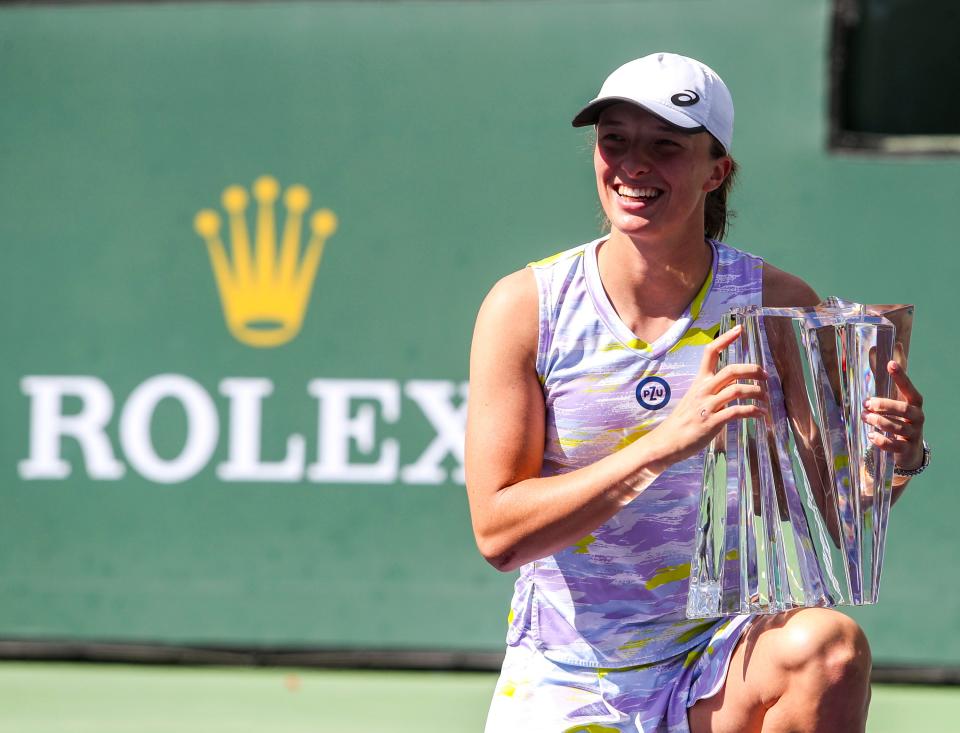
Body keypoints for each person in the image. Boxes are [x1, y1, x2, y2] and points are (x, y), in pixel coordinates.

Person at [465, 52, 928, 733]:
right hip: (569, 667)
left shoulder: (778, 305)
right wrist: (664, 443)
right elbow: (499, 533)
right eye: (614, 139)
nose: (632, 164)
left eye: (665, 146)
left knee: (827, 649)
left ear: (718, 171)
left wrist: (893, 459)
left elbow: (833, 514)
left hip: (721, 656)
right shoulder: (524, 307)